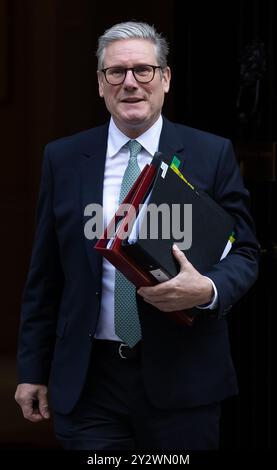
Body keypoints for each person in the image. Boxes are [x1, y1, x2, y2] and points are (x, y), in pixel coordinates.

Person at [15, 21, 259, 450]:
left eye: (143, 70)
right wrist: (32, 369)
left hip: (184, 379)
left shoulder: (211, 153)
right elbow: (46, 274)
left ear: (165, 78)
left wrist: (207, 289)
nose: (130, 83)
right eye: (116, 72)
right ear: (99, 83)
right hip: (90, 382)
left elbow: (245, 252)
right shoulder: (64, 158)